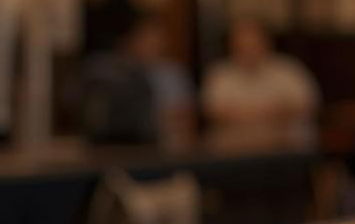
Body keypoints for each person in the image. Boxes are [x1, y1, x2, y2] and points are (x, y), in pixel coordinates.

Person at [201, 19, 319, 146]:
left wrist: (245, 114)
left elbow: (308, 105)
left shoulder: (289, 70)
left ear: (266, 43)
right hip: (232, 151)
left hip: (287, 148)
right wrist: (272, 112)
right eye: (242, 46)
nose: (248, 51)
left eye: (253, 44)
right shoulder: (220, 74)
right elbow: (213, 111)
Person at [125, 14, 195, 146]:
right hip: (133, 144)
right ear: (135, 42)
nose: (150, 45)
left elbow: (185, 116)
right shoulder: (124, 75)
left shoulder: (175, 74)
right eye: (145, 39)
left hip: (170, 141)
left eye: (155, 40)